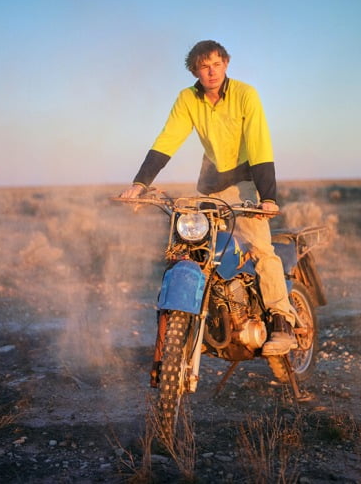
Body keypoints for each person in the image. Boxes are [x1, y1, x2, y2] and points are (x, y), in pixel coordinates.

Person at [120, 40, 296, 355]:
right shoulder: (187, 98)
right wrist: (140, 184)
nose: (212, 72)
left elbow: (259, 144)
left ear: (226, 64)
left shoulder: (245, 94)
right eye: (204, 66)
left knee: (260, 248)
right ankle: (203, 320)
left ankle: (282, 322)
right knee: (195, 250)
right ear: (195, 71)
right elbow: (168, 139)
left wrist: (268, 198)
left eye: (216, 64)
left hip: (245, 182)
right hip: (209, 186)